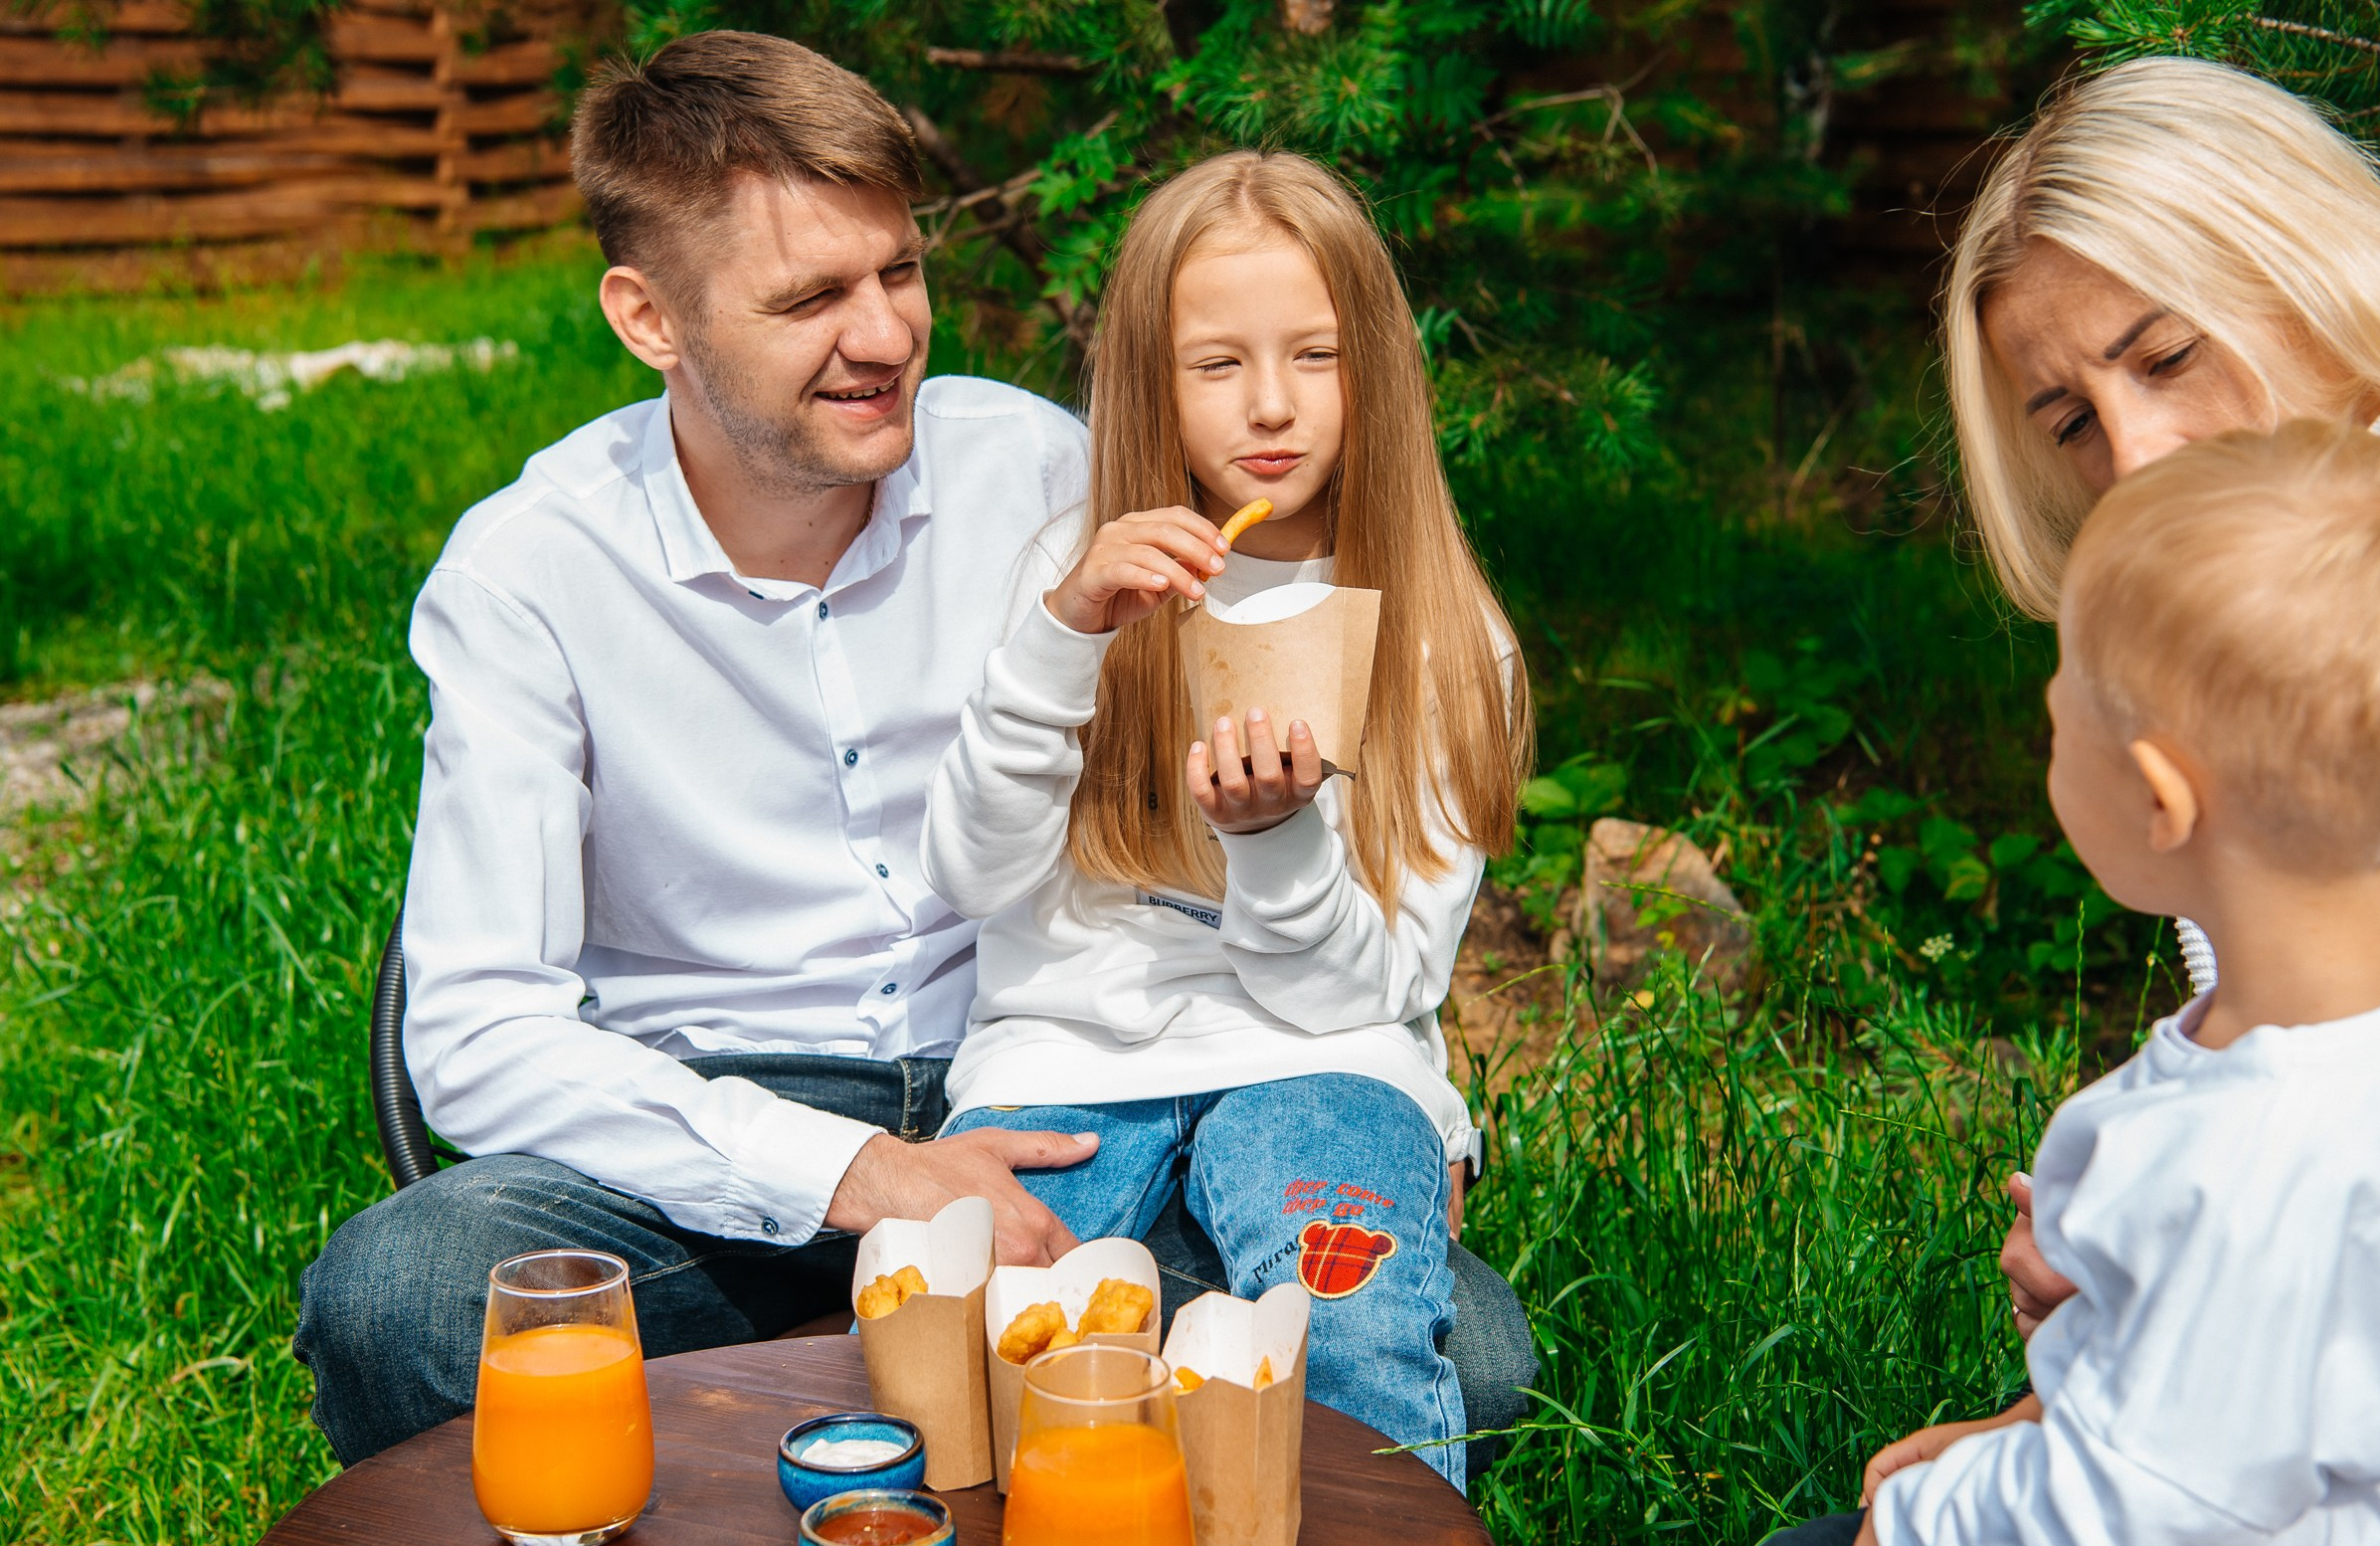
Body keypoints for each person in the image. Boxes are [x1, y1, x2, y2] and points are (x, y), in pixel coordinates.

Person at [290, 33, 1539, 1467]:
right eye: (811, 296)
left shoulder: (1049, 478)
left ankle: (844, 1428)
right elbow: (477, 1031)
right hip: (718, 1137)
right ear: (650, 318)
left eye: (899, 272)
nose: (882, 335)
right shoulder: (531, 575)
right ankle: (843, 1435)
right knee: (403, 1295)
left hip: (1041, 1106)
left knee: (1476, 1355)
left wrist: (1417, 1097)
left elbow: (1302, 756)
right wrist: (861, 1174)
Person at [921, 151, 1532, 1491]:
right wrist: (1060, 641)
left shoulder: (1437, 626)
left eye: (1315, 356)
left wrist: (1277, 840)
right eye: (1218, 365)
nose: (1272, 405)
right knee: (1006, 1372)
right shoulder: (1071, 579)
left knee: (1356, 1348)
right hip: (1072, 1057)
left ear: (1377, 362)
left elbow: (1374, 990)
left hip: (1327, 1059)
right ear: (1150, 380)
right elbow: (970, 873)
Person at [1695, 419, 2380, 1546]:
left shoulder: (2265, 1145)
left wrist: (1925, 1510)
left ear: (2161, 800)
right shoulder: (2298, 1072)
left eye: (2063, 698)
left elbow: (2146, 1518)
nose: (2045, 719)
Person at [1937, 55, 2380, 1343]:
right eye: (2072, 418)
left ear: (2308, 264)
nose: (2131, 456)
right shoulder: (2229, 630)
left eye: (2169, 356)